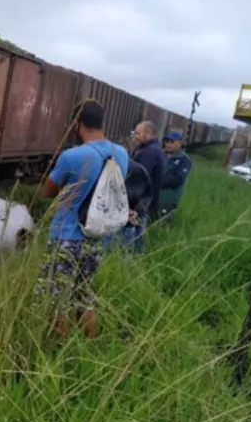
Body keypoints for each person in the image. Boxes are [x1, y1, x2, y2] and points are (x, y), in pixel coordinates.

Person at [39, 100, 129, 339]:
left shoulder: (72, 156)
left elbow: (47, 191)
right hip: (97, 236)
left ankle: (56, 352)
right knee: (85, 297)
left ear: (78, 125)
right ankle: (87, 345)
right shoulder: (121, 154)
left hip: (66, 237)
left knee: (58, 300)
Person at [124, 121, 165, 254]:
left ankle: (129, 263)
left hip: (140, 204)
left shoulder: (150, 152)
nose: (134, 136)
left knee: (132, 239)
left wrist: (132, 206)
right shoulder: (148, 148)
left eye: (137, 133)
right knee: (137, 236)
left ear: (147, 134)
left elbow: (139, 178)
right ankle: (134, 260)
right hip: (144, 202)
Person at [105, 158, 153, 253]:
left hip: (117, 221)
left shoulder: (114, 167)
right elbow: (147, 193)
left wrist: (131, 210)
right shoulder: (138, 168)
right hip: (131, 217)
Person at [158, 131, 193, 223]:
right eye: (166, 141)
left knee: (162, 223)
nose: (168, 144)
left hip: (168, 198)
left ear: (179, 143)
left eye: (172, 141)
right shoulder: (160, 154)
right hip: (153, 196)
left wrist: (156, 181)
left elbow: (178, 179)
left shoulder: (184, 160)